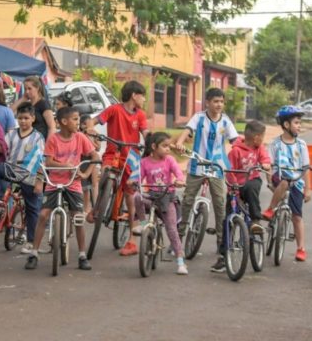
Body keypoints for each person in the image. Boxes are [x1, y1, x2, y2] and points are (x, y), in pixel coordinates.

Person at [24, 106, 100, 271]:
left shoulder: (80, 137)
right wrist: (65, 165)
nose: (78, 122)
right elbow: (49, 162)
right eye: (75, 119)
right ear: (64, 122)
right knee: (43, 215)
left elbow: (95, 156)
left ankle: (82, 255)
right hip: (54, 183)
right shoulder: (53, 139)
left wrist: (86, 174)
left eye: (78, 119)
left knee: (78, 218)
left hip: (73, 183)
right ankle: (34, 253)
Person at [174, 87, 239, 272]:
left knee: (220, 204)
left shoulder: (226, 121)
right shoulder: (199, 117)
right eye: (215, 101)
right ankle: (178, 237)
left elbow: (235, 141)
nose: (219, 105)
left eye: (221, 101)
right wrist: (179, 142)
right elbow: (188, 130)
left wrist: (241, 150)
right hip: (197, 164)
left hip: (217, 167)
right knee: (187, 200)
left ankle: (221, 246)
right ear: (207, 102)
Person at [94, 80, 148, 257]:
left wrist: (150, 144)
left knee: (130, 198)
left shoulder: (140, 115)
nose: (144, 100)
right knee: (104, 174)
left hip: (131, 159)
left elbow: (146, 134)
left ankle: (132, 240)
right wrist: (90, 131)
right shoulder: (114, 109)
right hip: (112, 153)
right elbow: (94, 121)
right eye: (143, 96)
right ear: (134, 95)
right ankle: (97, 208)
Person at [218, 120, 271, 273]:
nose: (263, 140)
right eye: (262, 137)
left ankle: (255, 220)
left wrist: (266, 164)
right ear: (256, 137)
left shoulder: (259, 148)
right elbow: (230, 172)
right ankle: (223, 255)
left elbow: (265, 159)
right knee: (228, 219)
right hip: (236, 186)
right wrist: (234, 188)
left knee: (252, 187)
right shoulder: (235, 151)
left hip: (252, 180)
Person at [262, 105, 311, 262]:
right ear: (286, 125)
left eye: (299, 123)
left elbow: (305, 169)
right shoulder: (275, 144)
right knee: (284, 182)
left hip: (296, 182)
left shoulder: (301, 145)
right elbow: (268, 165)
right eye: (296, 122)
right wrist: (269, 181)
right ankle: (271, 209)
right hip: (279, 178)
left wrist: (307, 190)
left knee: (297, 217)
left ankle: (301, 248)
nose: (299, 126)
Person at [135, 132, 187, 275]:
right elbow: (138, 177)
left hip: (166, 198)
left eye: (169, 146)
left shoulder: (169, 160)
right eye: (164, 146)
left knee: (172, 230)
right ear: (153, 146)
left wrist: (180, 180)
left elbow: (179, 173)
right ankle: (143, 223)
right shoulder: (144, 162)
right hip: (151, 197)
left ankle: (180, 262)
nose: (168, 149)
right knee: (137, 196)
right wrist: (133, 181)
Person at [3, 102, 45, 254]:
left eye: (26, 118)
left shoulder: (37, 137)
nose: (23, 121)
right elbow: (3, 149)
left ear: (33, 118)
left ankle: (31, 240)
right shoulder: (11, 134)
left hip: (29, 174)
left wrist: (39, 181)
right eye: (20, 118)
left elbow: (41, 161)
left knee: (32, 207)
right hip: (10, 170)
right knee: (0, 193)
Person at [12, 76, 55, 140]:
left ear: (37, 88)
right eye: (25, 89)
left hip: (41, 141)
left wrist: (47, 146)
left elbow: (52, 127)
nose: (27, 91)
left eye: (29, 89)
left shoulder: (43, 104)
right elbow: (9, 112)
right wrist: (22, 99)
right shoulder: (27, 104)